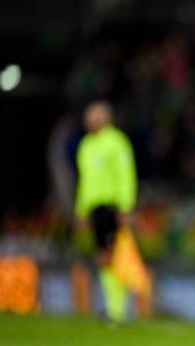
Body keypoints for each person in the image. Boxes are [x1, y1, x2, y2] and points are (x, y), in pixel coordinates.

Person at [75, 101, 138, 323]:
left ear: (106, 117)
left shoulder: (116, 142)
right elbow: (84, 180)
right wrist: (81, 209)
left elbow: (126, 174)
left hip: (112, 206)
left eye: (95, 116)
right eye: (89, 116)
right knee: (102, 257)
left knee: (114, 255)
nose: (91, 120)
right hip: (94, 207)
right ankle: (112, 307)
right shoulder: (86, 145)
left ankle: (117, 310)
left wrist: (126, 206)